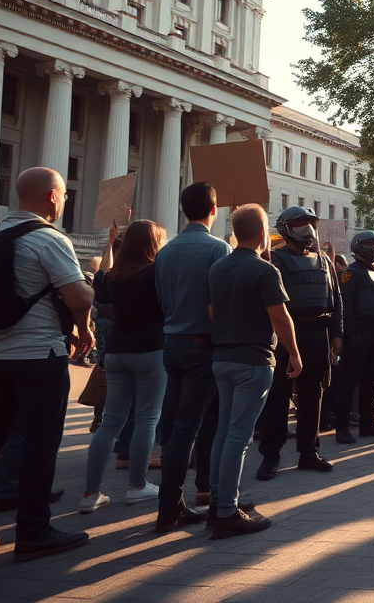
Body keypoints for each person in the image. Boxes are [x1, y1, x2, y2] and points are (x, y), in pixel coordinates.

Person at [0, 168, 94, 566]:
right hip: (37, 355)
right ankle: (33, 531)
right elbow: (77, 295)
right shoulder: (47, 238)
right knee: (39, 443)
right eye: (63, 195)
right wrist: (85, 323)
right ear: (51, 196)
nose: (64, 201)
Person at [206, 205, 302, 538]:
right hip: (253, 360)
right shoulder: (264, 270)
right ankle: (227, 511)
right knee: (238, 437)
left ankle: (218, 500)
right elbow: (280, 317)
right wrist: (294, 352)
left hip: (222, 357)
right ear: (263, 234)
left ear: (234, 232)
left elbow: (212, 312)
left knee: (224, 432)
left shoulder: (218, 267)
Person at [153, 182, 230, 531]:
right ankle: (173, 506)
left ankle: (192, 497)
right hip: (203, 343)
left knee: (181, 425)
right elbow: (223, 304)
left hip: (172, 342)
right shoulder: (218, 249)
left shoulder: (166, 251)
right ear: (213, 210)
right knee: (195, 427)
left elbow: (160, 298)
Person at [81, 220, 168, 514]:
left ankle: (90, 492)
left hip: (117, 351)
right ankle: (137, 486)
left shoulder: (113, 276)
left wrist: (110, 241)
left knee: (110, 422)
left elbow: (100, 280)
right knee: (146, 419)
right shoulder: (157, 272)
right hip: (151, 349)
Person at [258, 206, 343, 480]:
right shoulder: (275, 260)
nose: (307, 232)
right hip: (286, 336)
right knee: (278, 396)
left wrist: (337, 333)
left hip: (318, 334)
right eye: (300, 226)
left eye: (310, 225)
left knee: (313, 395)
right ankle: (271, 455)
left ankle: (309, 452)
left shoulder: (324, 262)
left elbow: (336, 300)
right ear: (285, 229)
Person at [333, 231, 374, 444]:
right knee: (350, 382)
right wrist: (351, 332)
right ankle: (342, 427)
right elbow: (345, 305)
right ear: (358, 247)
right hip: (360, 333)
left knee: (371, 380)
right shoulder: (351, 273)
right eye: (369, 245)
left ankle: (367, 423)